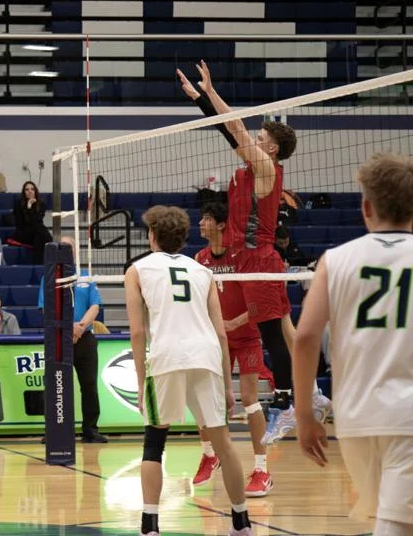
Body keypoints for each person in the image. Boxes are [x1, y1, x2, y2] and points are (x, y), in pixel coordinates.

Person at [176, 60, 331, 443]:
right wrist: (202, 100)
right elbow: (230, 132)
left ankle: (289, 404)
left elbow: (234, 127)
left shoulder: (265, 166)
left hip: (258, 257)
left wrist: (211, 93)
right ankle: (312, 394)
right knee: (284, 327)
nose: (254, 140)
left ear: (272, 148)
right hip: (253, 259)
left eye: (260, 137)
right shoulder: (251, 165)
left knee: (272, 335)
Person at [293, 153, 413, 536]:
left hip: (356, 421)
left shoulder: (335, 260)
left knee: (390, 517)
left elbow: (306, 336)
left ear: (366, 207)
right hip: (407, 416)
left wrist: (304, 415)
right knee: (395, 524)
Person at [125, 205, 253, 536]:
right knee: (223, 443)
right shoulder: (203, 272)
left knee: (154, 441)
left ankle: (150, 526)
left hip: (167, 356)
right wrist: (228, 384)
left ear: (152, 235)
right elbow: (221, 332)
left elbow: (138, 333)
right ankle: (241, 523)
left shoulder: (137, 270)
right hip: (206, 356)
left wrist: (141, 383)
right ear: (182, 239)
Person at [192, 202, 273, 495]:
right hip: (217, 339)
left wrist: (232, 323)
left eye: (206, 217)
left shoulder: (242, 257)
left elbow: (260, 305)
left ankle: (262, 470)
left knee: (250, 400)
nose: (200, 222)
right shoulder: (199, 259)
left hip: (247, 336)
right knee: (205, 397)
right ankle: (209, 454)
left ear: (222, 224)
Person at [37, 236, 105, 442]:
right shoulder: (49, 278)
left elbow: (95, 306)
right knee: (57, 385)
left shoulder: (86, 277)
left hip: (85, 339)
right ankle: (55, 431)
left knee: (89, 386)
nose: (67, 250)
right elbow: (46, 309)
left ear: (76, 251)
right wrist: (68, 328)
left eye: (70, 247)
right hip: (59, 337)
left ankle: (90, 430)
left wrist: (81, 327)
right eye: (63, 247)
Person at [9, 180, 51, 265]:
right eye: (27, 189)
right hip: (23, 233)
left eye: (32, 189)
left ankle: (38, 265)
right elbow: (20, 223)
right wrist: (28, 206)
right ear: (24, 192)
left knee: (38, 237)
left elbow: (37, 221)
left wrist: (30, 208)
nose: (30, 191)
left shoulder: (41, 204)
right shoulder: (18, 204)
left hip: (36, 233)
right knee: (41, 233)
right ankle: (42, 265)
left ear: (35, 191)